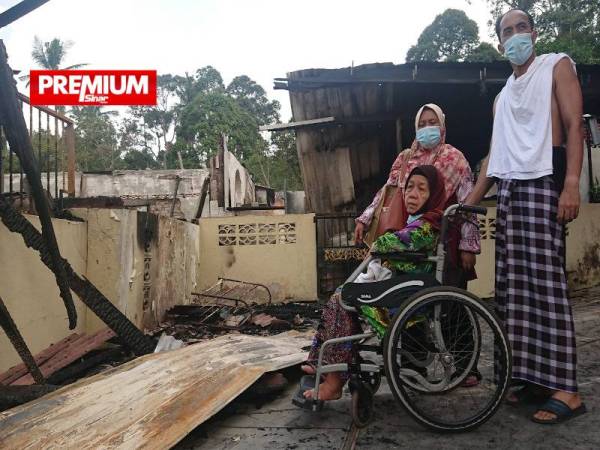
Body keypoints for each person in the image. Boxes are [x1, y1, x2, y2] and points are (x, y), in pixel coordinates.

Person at [466, 8, 586, 424]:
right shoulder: (502, 95)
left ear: (534, 33)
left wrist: (571, 183)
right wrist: (468, 202)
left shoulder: (557, 65)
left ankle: (567, 390)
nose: (515, 36)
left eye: (521, 28)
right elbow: (491, 159)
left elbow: (574, 126)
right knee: (514, 291)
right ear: (500, 43)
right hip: (511, 190)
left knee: (546, 285)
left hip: (543, 181)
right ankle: (532, 379)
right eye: (507, 31)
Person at [303, 165, 447, 401]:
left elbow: (387, 243)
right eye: (409, 187)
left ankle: (334, 380)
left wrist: (383, 241)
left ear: (434, 194)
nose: (412, 193)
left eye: (422, 189)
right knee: (340, 295)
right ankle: (324, 362)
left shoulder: (428, 225)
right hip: (400, 286)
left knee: (342, 298)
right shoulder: (416, 221)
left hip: (406, 292)